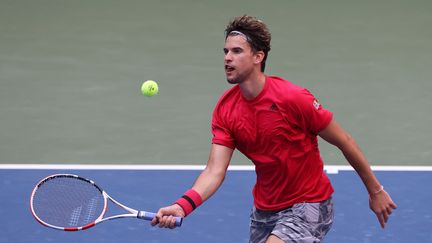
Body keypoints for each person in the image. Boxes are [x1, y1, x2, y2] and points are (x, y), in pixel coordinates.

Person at [151, 15, 397, 243]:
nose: (227, 57)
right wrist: (183, 206)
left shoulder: (292, 98)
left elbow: (345, 141)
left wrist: (375, 191)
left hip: (309, 203)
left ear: (258, 57)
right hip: (265, 208)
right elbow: (215, 170)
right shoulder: (226, 109)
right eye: (225, 51)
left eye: (237, 51)